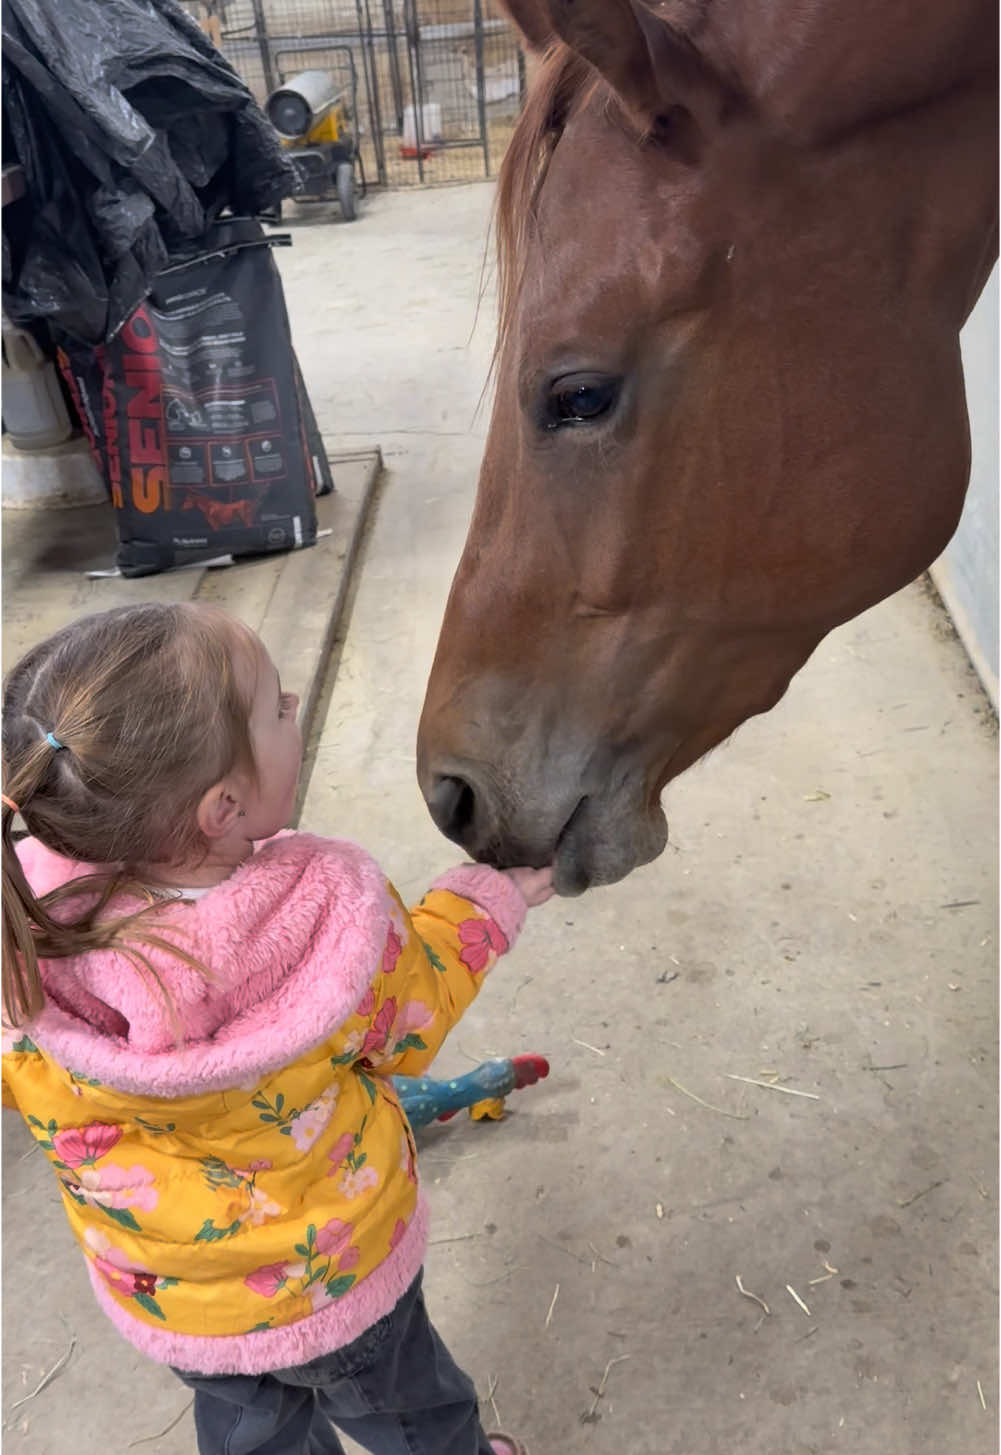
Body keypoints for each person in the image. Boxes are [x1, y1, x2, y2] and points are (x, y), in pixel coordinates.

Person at [1, 601, 553, 1455]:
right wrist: (492, 898)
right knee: (413, 1415)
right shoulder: (325, 918)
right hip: (338, 1281)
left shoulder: (20, 938)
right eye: (278, 708)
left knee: (254, 1437)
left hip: (179, 1301)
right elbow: (414, 1015)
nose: (292, 705)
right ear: (222, 807)